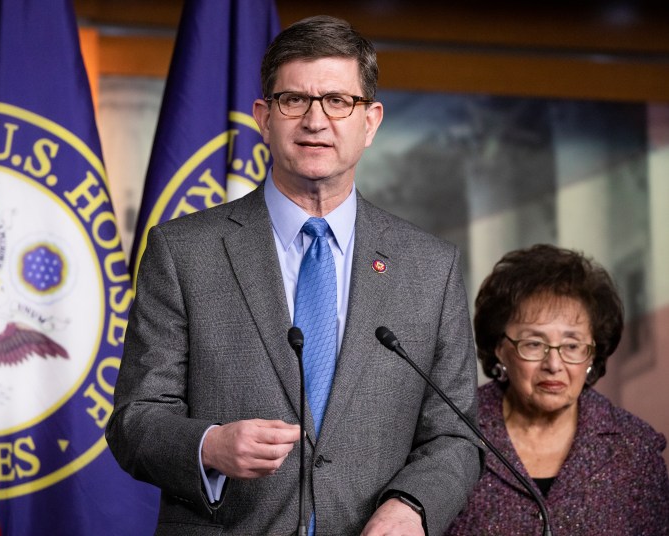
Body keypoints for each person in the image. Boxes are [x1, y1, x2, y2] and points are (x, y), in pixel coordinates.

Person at [107, 15, 482, 536]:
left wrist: (412, 507)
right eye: (294, 101)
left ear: (370, 121)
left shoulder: (429, 268)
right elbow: (134, 420)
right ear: (264, 117)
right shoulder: (183, 252)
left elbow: (457, 436)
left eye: (337, 101)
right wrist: (209, 446)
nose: (315, 120)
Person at [445, 244, 669, 536]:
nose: (554, 364)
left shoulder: (635, 450)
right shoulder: (452, 434)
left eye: (572, 346)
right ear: (500, 349)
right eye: (534, 344)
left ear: (592, 355)